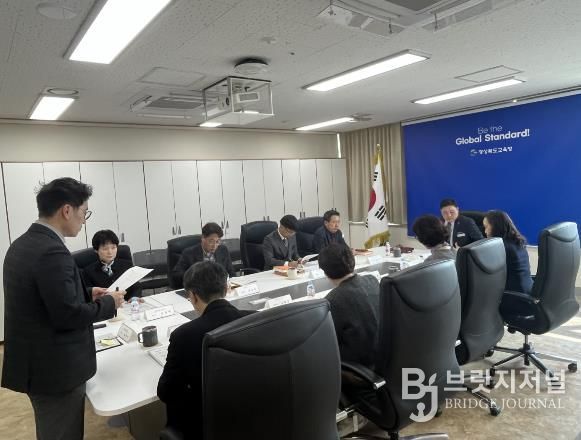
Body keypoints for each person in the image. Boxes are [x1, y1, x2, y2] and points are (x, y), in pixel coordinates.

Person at [1, 177, 125, 440]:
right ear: (67, 210)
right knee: (62, 433)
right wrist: (109, 303)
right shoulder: (52, 252)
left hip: (35, 363)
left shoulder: (22, 244)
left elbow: (42, 298)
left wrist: (86, 292)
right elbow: (67, 315)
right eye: (84, 212)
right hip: (55, 369)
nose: (84, 220)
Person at [157, 261, 254, 439]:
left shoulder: (183, 335)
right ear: (226, 288)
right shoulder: (255, 319)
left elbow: (166, 391)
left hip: (204, 425)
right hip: (252, 413)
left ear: (193, 296)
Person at [318, 243, 380, 368]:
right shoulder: (372, 280)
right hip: (386, 355)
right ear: (352, 261)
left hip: (359, 366)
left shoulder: (332, 300)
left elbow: (327, 341)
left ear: (325, 272)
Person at [82, 229, 142, 301]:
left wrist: (134, 297)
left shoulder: (127, 265)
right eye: (105, 249)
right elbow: (88, 295)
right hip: (105, 306)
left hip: (128, 304)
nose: (110, 252)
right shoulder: (88, 272)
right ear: (96, 250)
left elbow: (136, 286)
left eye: (113, 247)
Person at [171, 222, 235, 288]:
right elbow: (176, 274)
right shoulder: (189, 253)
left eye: (217, 241)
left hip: (220, 288)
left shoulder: (223, 250)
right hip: (199, 289)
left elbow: (231, 272)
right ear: (203, 238)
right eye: (211, 241)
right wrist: (195, 276)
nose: (214, 245)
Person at [483, 210, 533, 294]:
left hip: (513, 295)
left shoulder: (502, 247)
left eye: (486, 227)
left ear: (495, 226)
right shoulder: (517, 241)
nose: (485, 232)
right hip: (527, 290)